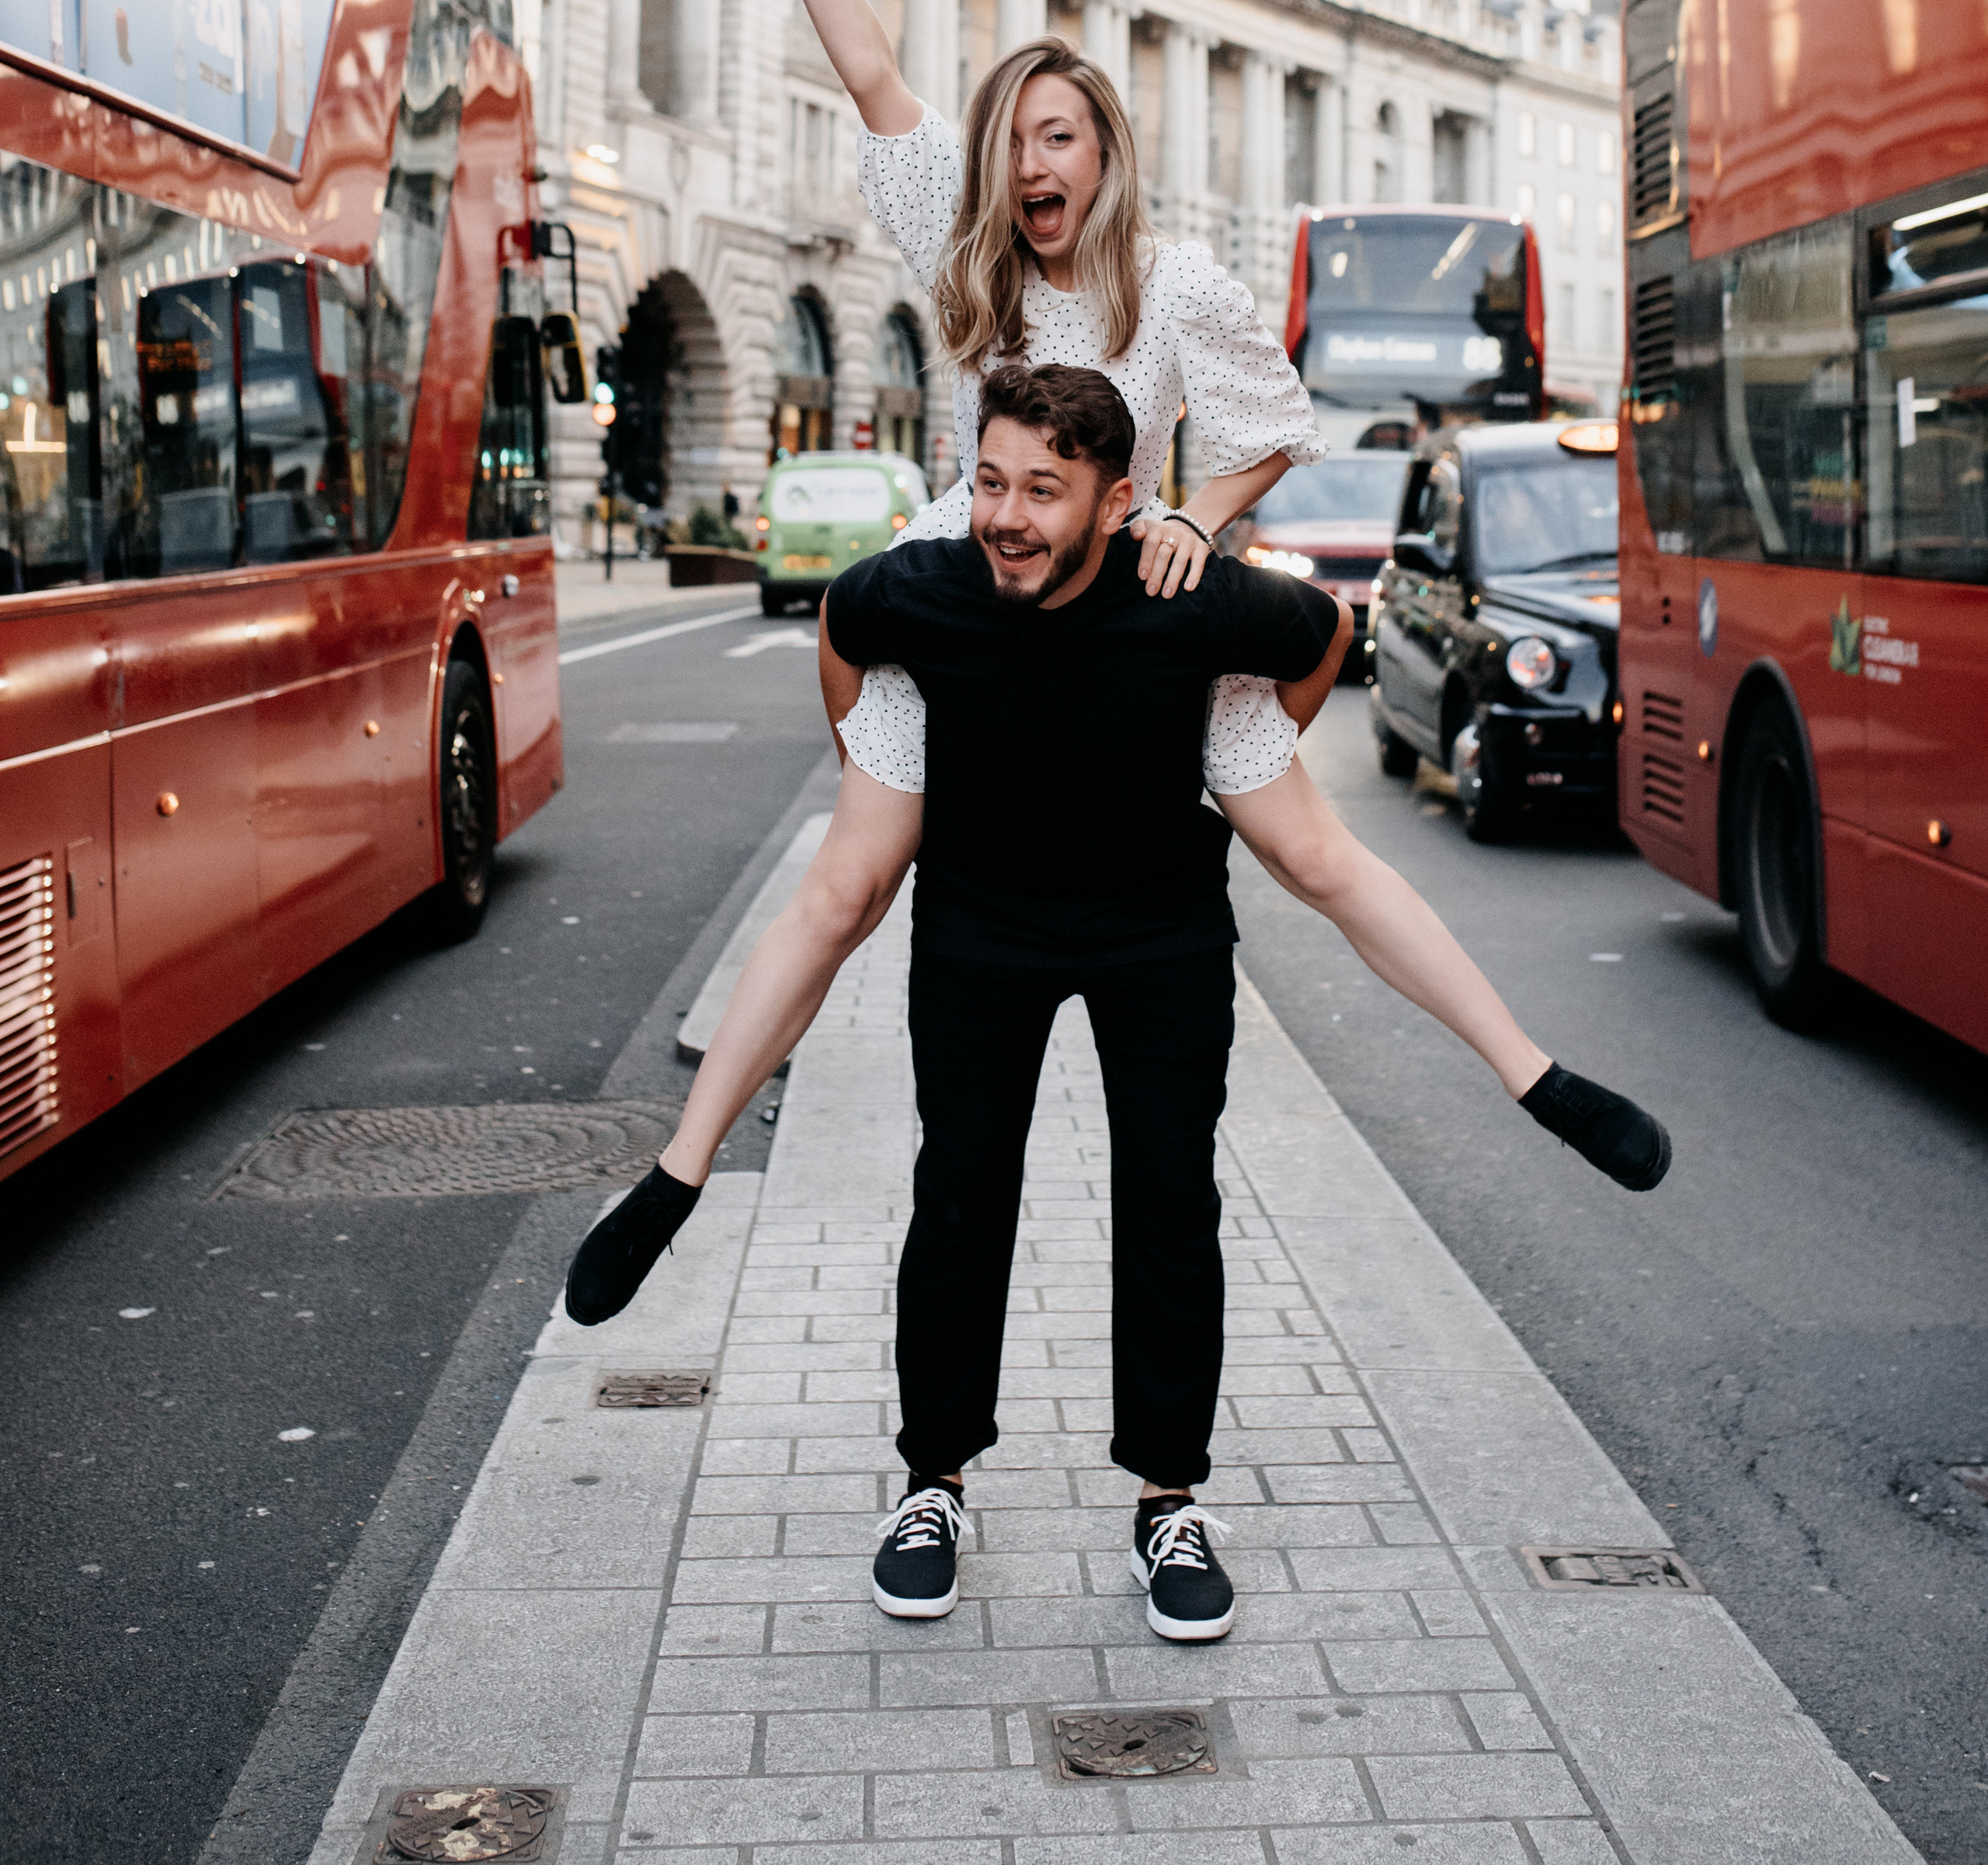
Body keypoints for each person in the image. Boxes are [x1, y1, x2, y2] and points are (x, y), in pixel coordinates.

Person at [565, 366, 1671, 1644]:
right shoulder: (924, 591)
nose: (1006, 516)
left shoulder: (1188, 597)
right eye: (989, 482)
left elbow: (1324, 642)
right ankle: (933, 1484)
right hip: (983, 920)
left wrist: (1229, 749)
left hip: (1158, 925)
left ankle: (1168, 1498)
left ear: (1120, 502)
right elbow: (844, 642)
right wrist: (874, 752)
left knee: (1168, 1198)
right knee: (961, 1191)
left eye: (1044, 489)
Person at [688, 0, 1320, 804]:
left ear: (1105, 153)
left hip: (1120, 579)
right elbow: (870, 74)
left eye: (1058, 139)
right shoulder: (966, 224)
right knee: (860, 861)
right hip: (976, 566)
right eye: (1013, 143)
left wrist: (1193, 524)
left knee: (1300, 842)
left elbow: (1274, 432)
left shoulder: (1177, 282)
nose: (1031, 166)